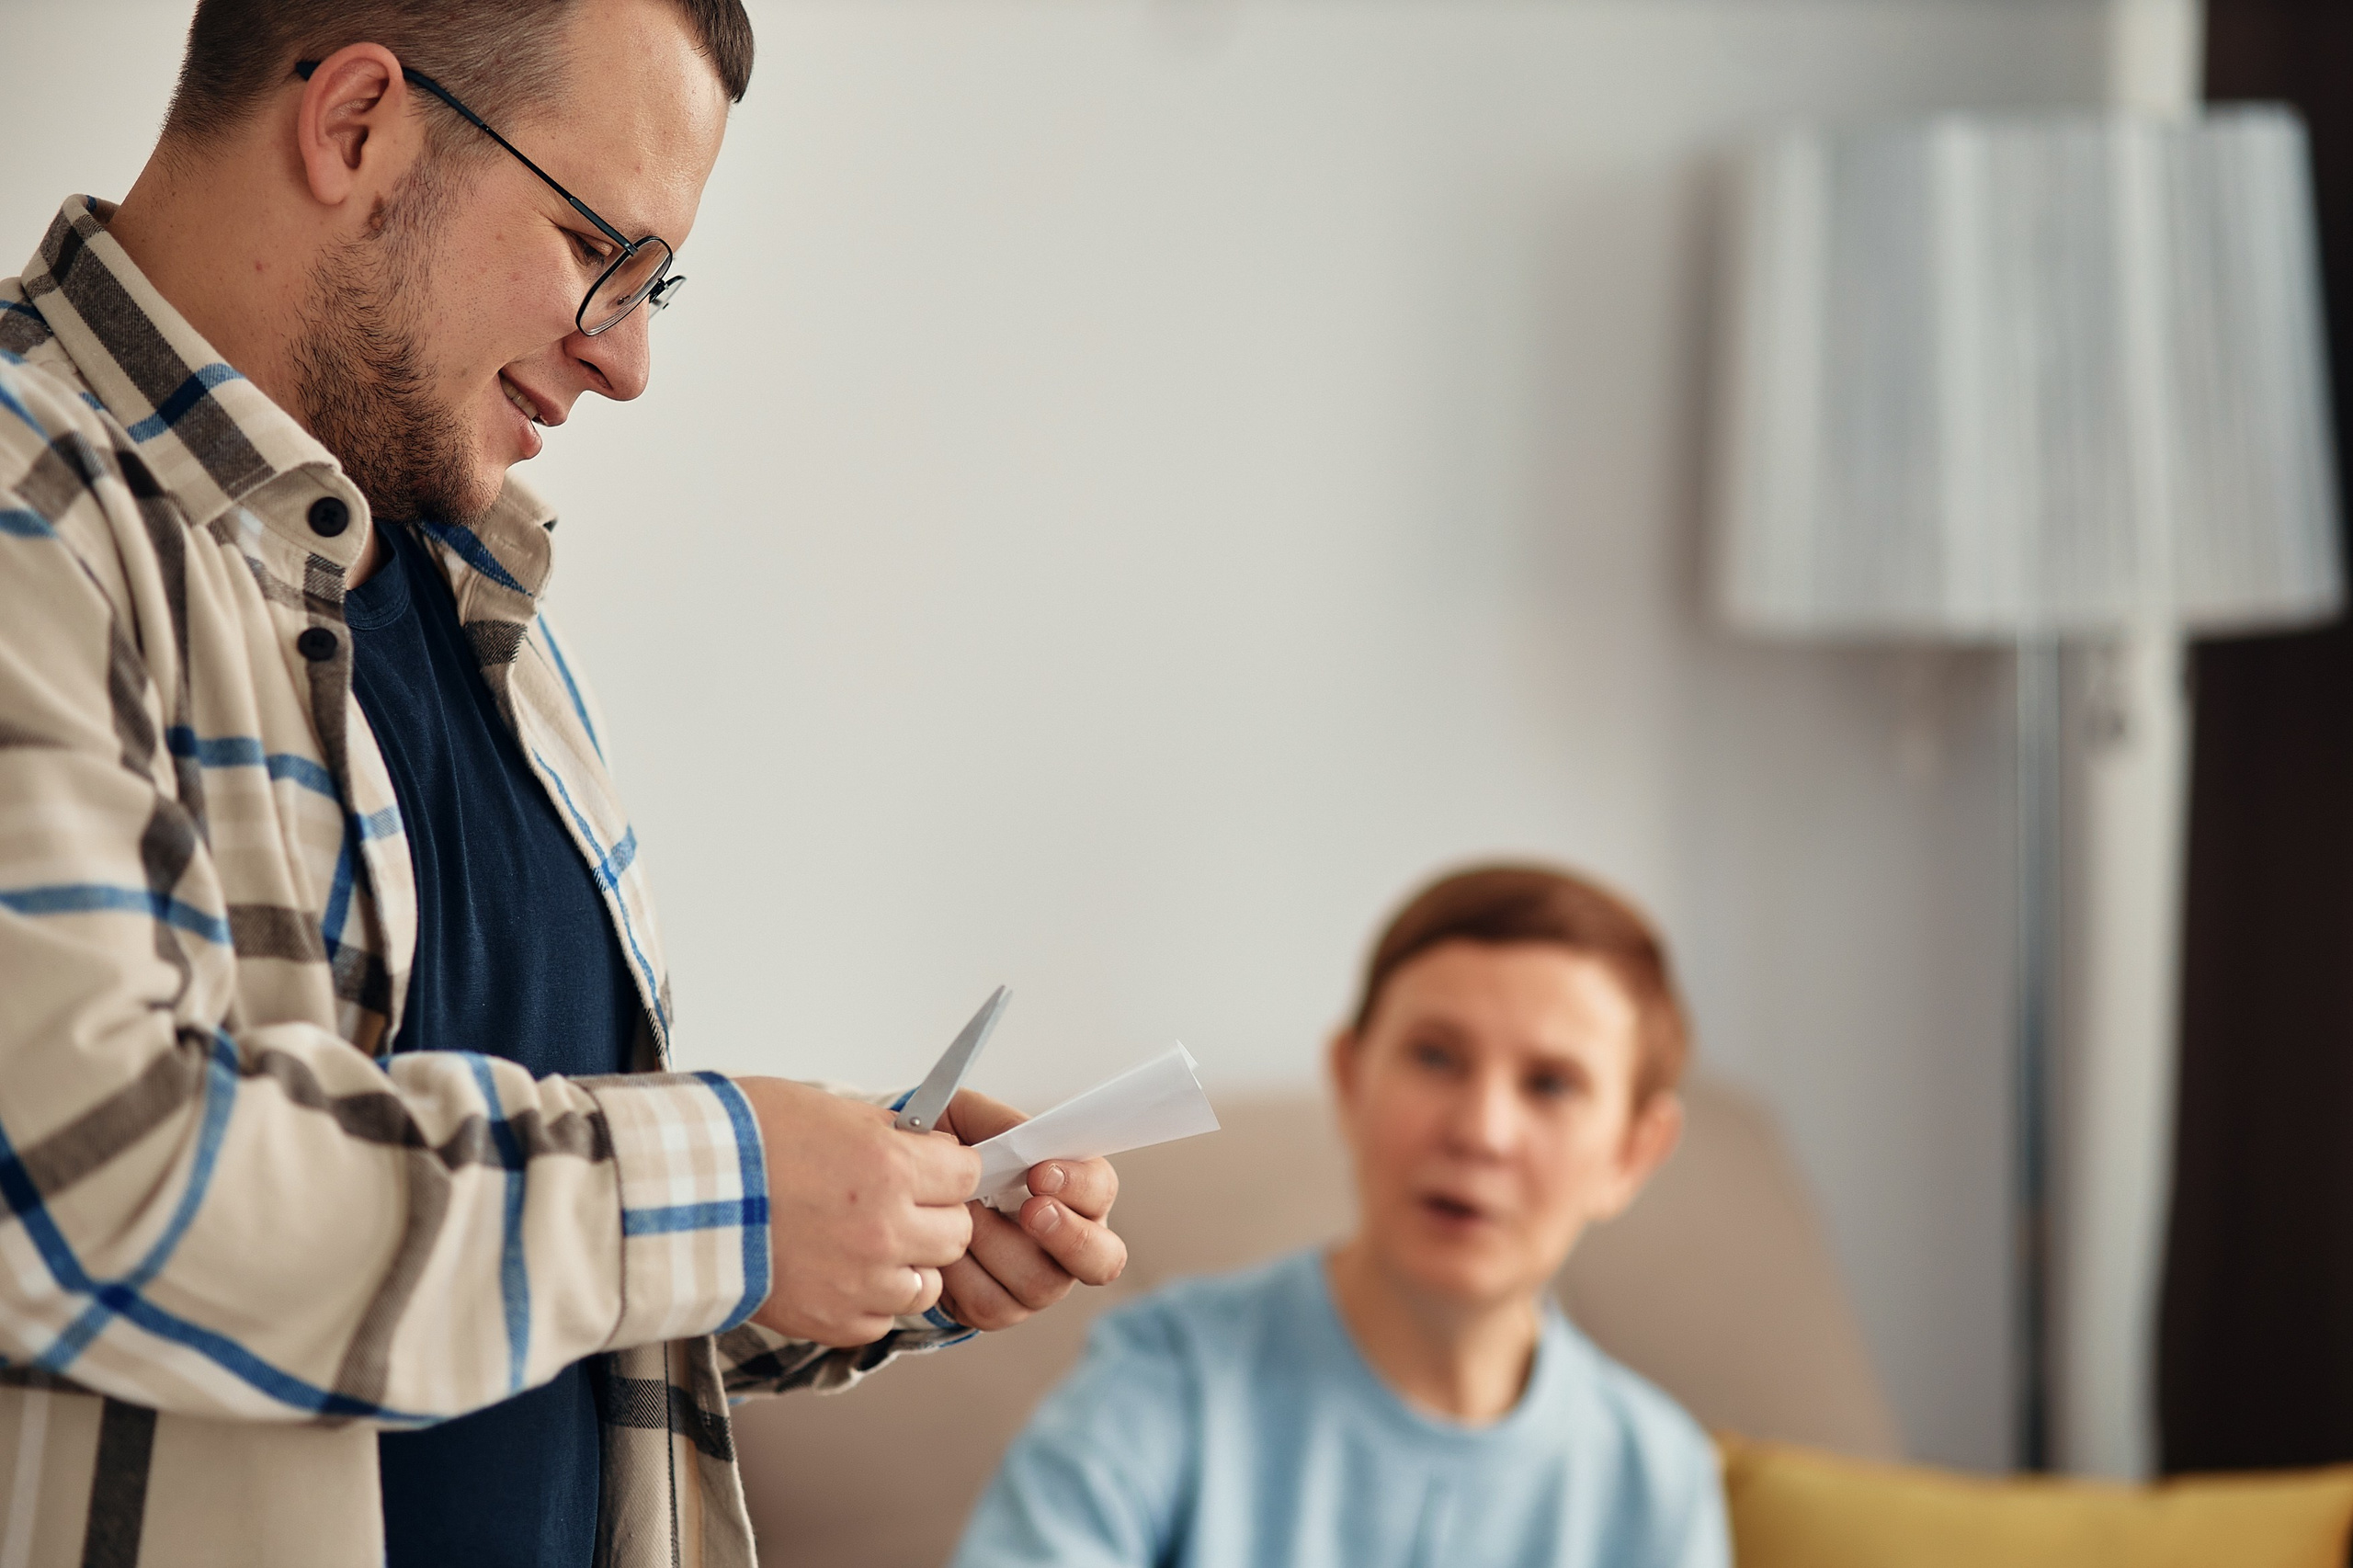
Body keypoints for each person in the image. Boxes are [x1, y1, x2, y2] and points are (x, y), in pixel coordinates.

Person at [0, 4, 1127, 1565]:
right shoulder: (29, 517)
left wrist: (858, 1221)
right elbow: (86, 1183)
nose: (629, 357)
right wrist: (728, 1189)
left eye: (655, 283)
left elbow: (476, 1238)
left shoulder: (468, 591)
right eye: (599, 247)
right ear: (355, 126)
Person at [952, 864, 1731, 1568]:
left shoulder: (1661, 1482)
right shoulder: (1169, 1373)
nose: (1481, 1132)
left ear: (1633, 1153)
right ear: (1351, 1080)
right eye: (1436, 1056)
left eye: (1551, 1085)